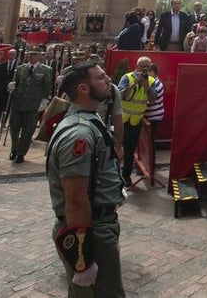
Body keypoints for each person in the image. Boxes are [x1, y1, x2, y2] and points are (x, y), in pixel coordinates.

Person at [46, 61, 127, 298]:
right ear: (83, 88)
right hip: (91, 228)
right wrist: (82, 256)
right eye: (101, 78)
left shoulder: (90, 120)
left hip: (100, 223)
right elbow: (75, 200)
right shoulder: (78, 134)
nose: (108, 80)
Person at [6, 47, 53, 163]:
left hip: (33, 103)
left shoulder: (46, 70)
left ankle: (22, 152)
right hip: (18, 101)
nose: (31, 56)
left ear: (40, 56)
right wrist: (12, 87)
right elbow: (16, 83)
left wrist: (44, 100)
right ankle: (14, 149)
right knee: (14, 127)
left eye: (34, 55)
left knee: (28, 129)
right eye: (30, 54)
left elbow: (47, 86)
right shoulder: (20, 68)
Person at [117, 56, 154, 186]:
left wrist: (146, 87)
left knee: (129, 149)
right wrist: (134, 84)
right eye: (143, 67)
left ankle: (126, 175)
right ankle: (112, 173)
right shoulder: (127, 78)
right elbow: (120, 95)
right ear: (137, 66)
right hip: (121, 120)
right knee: (116, 148)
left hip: (136, 122)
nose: (145, 69)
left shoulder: (150, 81)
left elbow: (153, 100)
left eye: (147, 67)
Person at [143, 63, 165, 169]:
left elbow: (151, 101)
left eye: (148, 72)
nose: (146, 74)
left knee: (150, 141)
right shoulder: (154, 82)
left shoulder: (154, 84)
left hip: (153, 116)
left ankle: (151, 164)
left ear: (152, 72)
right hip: (153, 115)